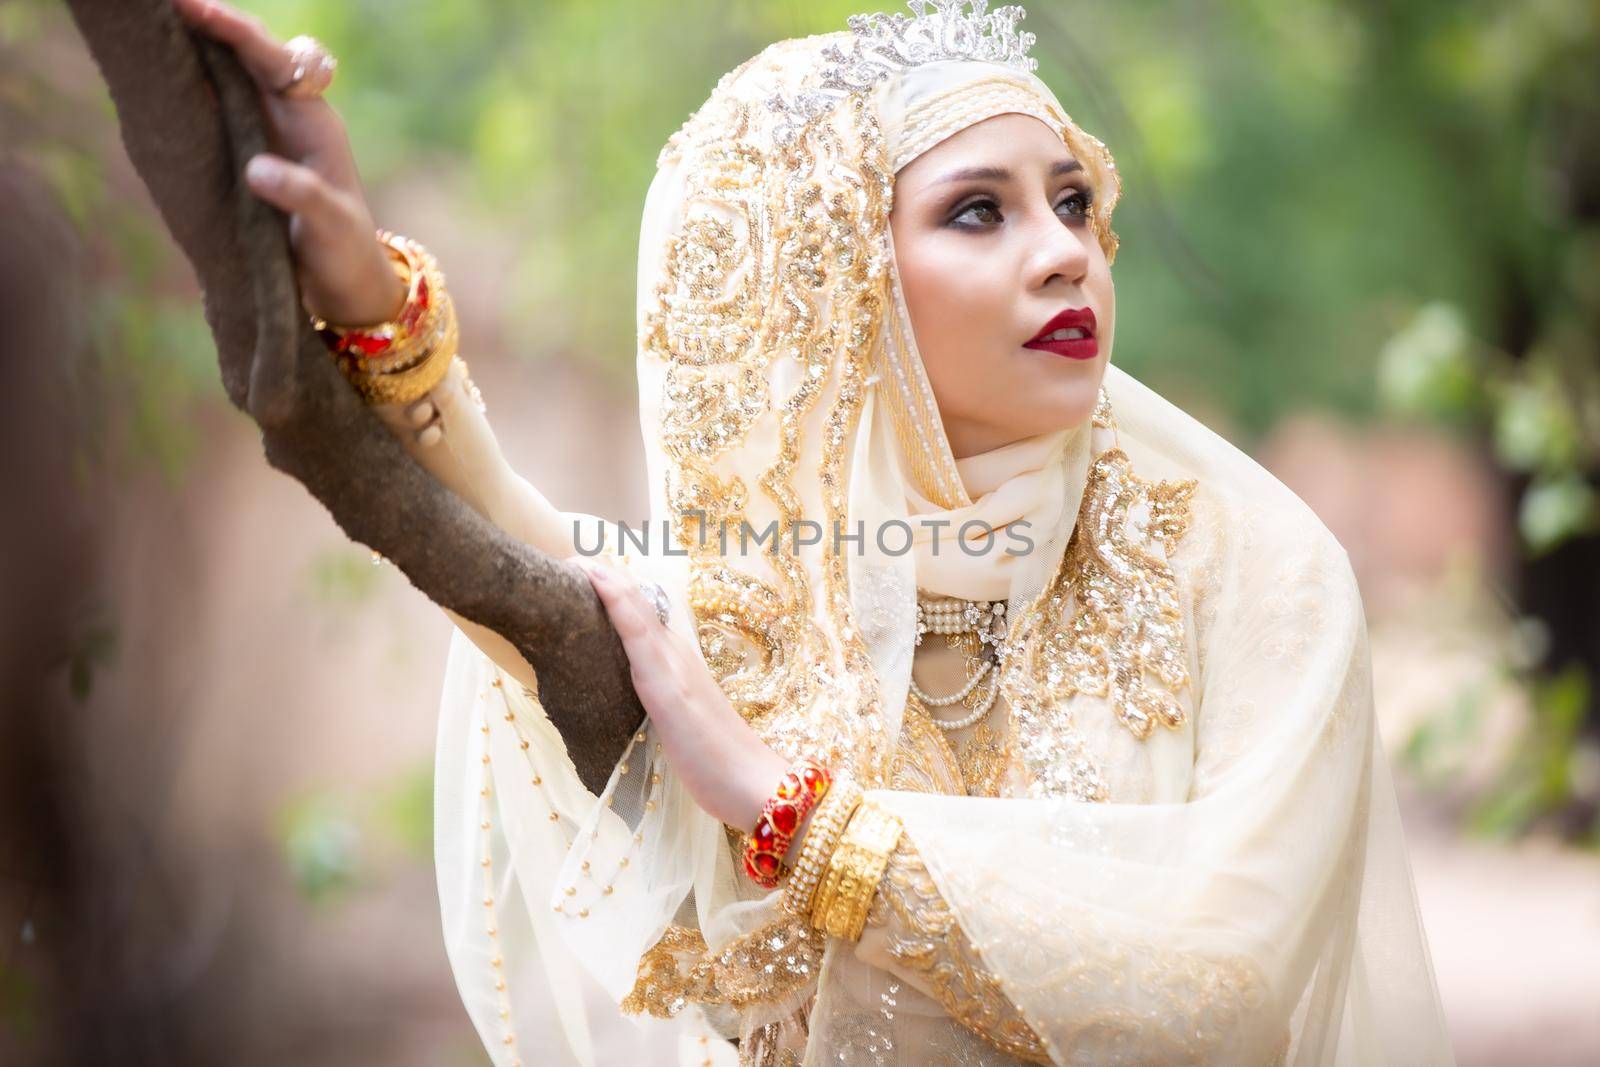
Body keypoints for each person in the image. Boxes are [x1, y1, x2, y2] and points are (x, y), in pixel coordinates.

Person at [174, 1, 1454, 1063]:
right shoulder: (757, 604)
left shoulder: (1249, 568)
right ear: (842, 288)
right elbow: (498, 545)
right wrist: (360, 291)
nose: (1067, 252)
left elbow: (1224, 971)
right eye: (978, 211)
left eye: (1072, 201)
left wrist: (786, 813)